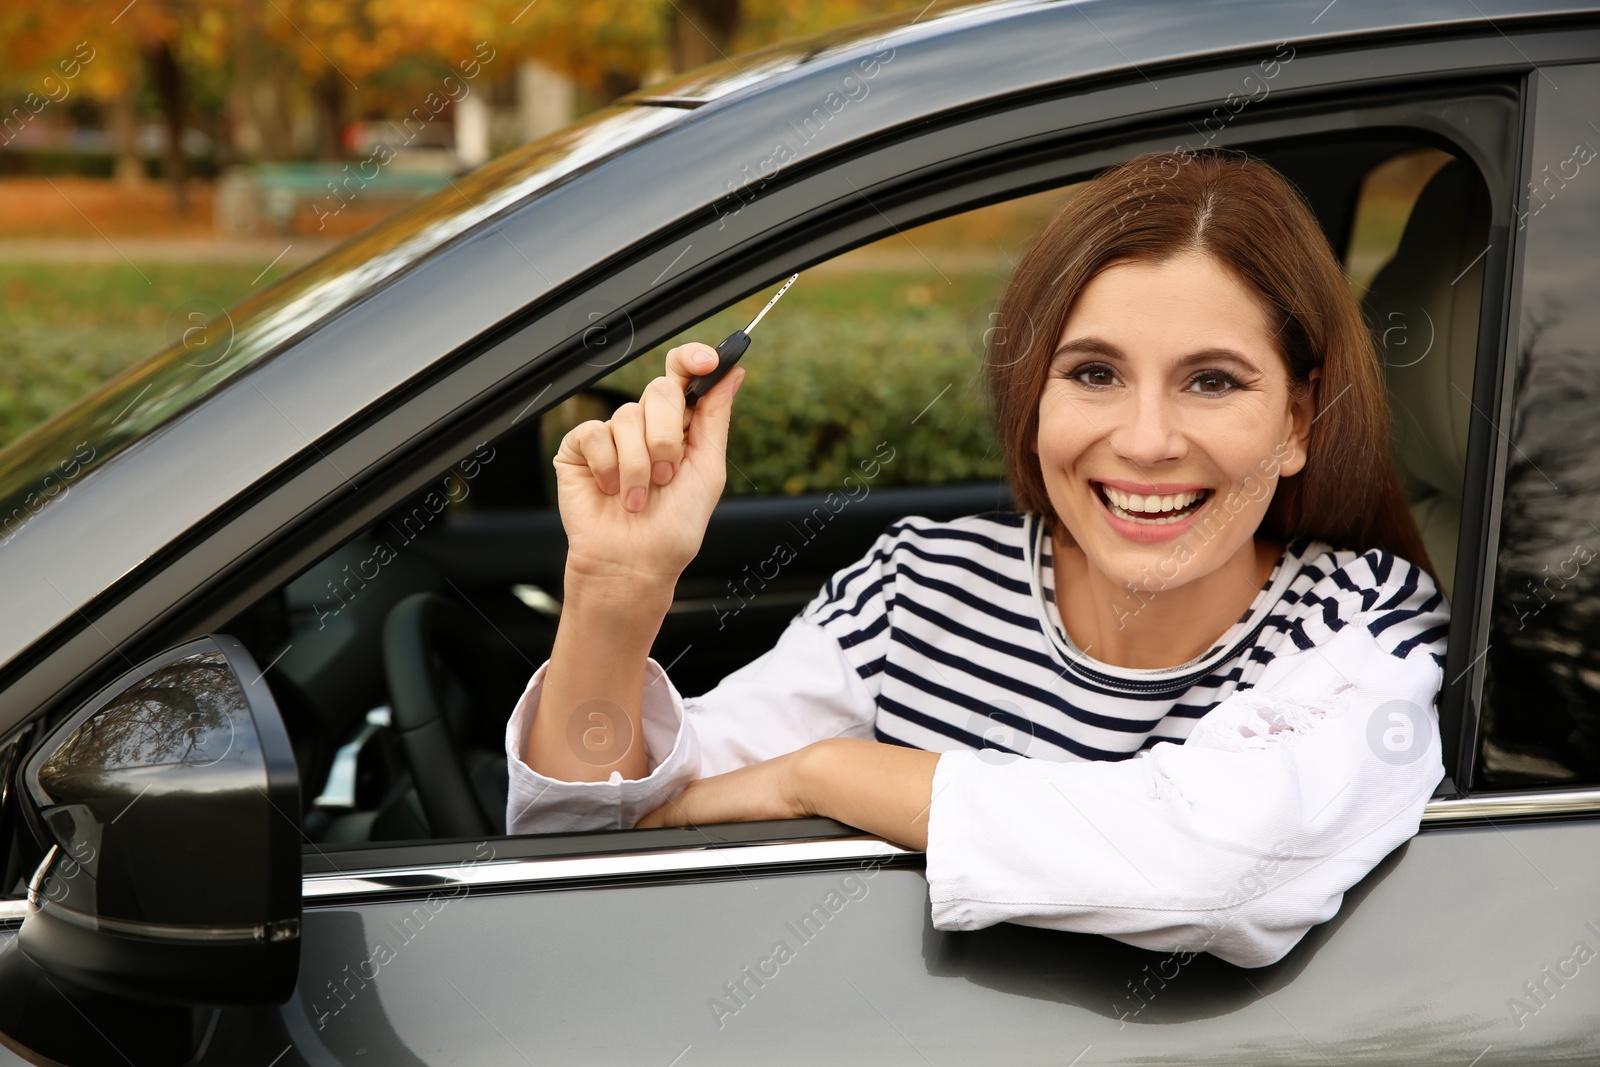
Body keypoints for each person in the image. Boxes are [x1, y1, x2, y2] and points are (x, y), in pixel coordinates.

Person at [502, 149, 1449, 969]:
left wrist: (819, 776)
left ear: (1295, 421)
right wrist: (617, 591)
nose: (1148, 439)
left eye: (1212, 381)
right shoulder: (917, 589)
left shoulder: (1362, 620)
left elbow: (1217, 868)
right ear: (1032, 395)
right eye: (1094, 373)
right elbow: (590, 847)